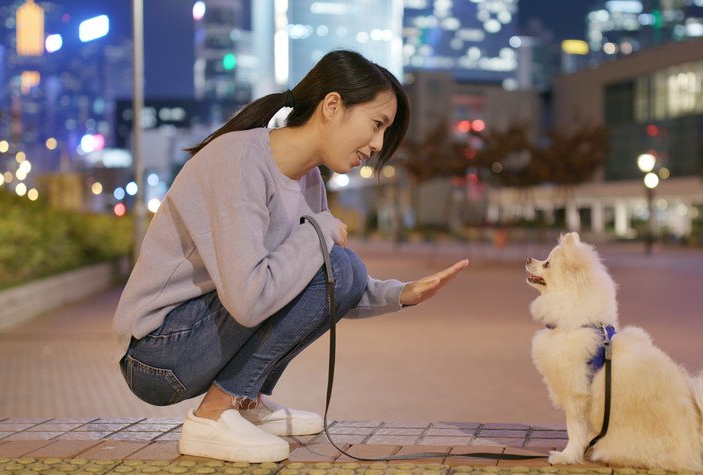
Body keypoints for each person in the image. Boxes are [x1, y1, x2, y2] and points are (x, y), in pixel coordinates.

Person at [111, 50, 469, 463]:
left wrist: (399, 294)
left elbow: (320, 283)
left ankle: (246, 403)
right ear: (332, 106)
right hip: (156, 353)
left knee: (342, 266)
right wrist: (320, 230)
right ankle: (214, 415)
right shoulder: (239, 160)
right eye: (376, 125)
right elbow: (249, 300)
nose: (376, 144)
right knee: (337, 260)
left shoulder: (308, 180)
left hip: (197, 338)